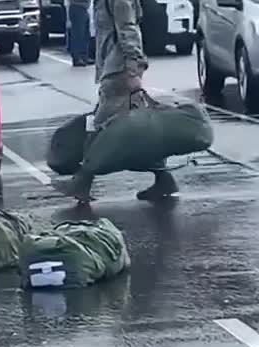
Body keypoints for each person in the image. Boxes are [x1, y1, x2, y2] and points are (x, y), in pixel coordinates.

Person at [70, 0, 178, 202]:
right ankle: (164, 178)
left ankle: (82, 180)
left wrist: (134, 63)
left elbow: (127, 27)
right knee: (138, 129)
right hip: (114, 65)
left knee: (101, 125)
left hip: (119, 68)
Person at [65, 0, 94, 67]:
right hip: (77, 7)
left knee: (85, 35)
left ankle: (84, 57)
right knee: (78, 34)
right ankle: (77, 58)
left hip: (84, 8)